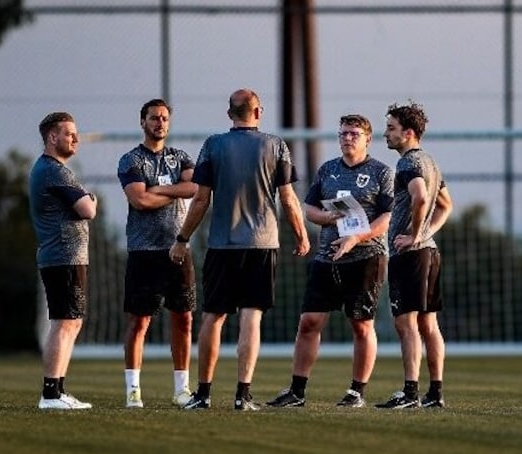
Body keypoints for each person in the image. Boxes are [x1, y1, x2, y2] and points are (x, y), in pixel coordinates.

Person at [169, 88, 311, 411]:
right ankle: (242, 394)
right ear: (258, 112)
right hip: (262, 243)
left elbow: (200, 199)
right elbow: (288, 198)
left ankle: (203, 394)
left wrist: (182, 238)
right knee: (252, 317)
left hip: (222, 243)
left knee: (213, 316)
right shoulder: (276, 145)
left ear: (229, 113)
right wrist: (302, 235)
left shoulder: (212, 145)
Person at [267, 114, 394, 409]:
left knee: (361, 325)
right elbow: (309, 208)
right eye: (343, 134)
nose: (347, 138)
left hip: (366, 257)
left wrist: (354, 238)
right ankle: (296, 392)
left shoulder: (381, 173)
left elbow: (386, 218)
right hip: (326, 258)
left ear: (367, 139)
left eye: (353, 134)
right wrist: (329, 217)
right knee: (309, 322)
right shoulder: (327, 170)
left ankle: (356, 392)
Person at [117, 99, 198, 409]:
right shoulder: (131, 160)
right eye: (153, 118)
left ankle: (181, 389)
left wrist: (160, 190)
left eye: (164, 118)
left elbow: (195, 188)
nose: (159, 123)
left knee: (184, 319)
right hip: (143, 251)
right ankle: (133, 390)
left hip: (178, 248)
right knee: (139, 322)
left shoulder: (180, 157)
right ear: (143, 122)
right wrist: (172, 189)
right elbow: (139, 201)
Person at [375, 100, 453, 410]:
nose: (385, 134)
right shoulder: (431, 162)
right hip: (429, 253)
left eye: (391, 128)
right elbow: (446, 204)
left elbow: (421, 198)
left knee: (405, 324)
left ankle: (410, 394)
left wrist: (414, 235)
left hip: (411, 256)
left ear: (408, 133)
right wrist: (425, 235)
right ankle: (435, 393)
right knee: (428, 325)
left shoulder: (408, 163)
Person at [28, 111, 97, 410]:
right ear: (52, 137)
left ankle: (58, 390)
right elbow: (87, 209)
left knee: (71, 322)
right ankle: (51, 394)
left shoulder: (51, 170)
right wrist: (91, 197)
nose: (75, 138)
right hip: (62, 256)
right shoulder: (53, 171)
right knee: (64, 323)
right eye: (69, 133)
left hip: (66, 257)